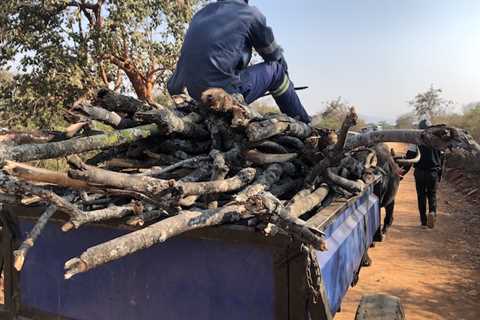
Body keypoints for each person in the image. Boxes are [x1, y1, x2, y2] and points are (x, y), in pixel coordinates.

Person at [167, 0, 311, 123]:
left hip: (189, 94)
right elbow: (272, 54)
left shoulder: (200, 14)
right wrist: (286, 76)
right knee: (276, 70)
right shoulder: (249, 13)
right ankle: (303, 121)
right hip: (222, 96)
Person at [405, 119, 445, 229]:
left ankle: (423, 221)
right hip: (433, 172)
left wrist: (403, 172)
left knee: (421, 196)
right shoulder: (438, 140)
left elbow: (409, 157)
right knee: (432, 194)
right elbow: (442, 158)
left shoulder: (416, 139)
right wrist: (440, 174)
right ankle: (432, 212)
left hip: (419, 172)